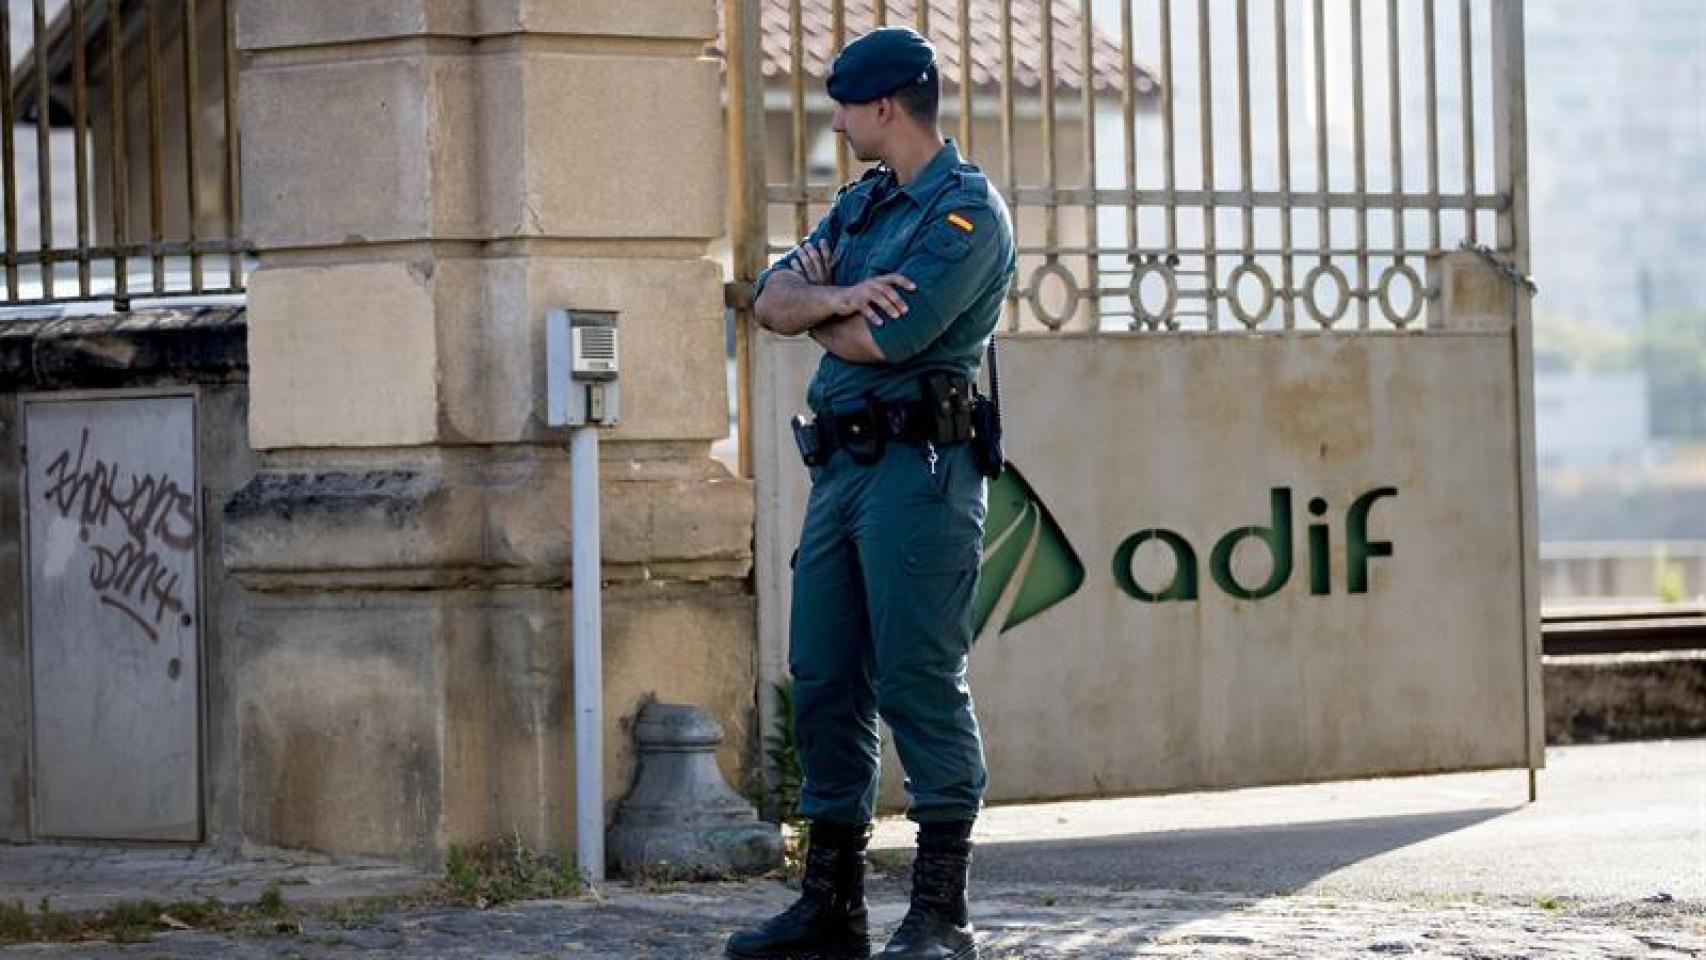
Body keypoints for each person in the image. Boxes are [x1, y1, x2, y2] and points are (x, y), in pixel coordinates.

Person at [724, 25, 1016, 960]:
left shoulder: (965, 216)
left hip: (919, 474)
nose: (838, 123)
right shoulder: (863, 205)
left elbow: (888, 339)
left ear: (885, 106)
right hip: (843, 472)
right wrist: (840, 298)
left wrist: (827, 307)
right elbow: (770, 300)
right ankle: (832, 906)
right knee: (824, 677)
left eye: (846, 108)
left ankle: (941, 913)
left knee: (917, 678)